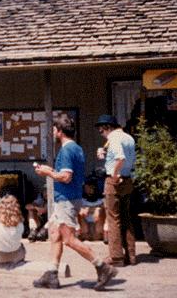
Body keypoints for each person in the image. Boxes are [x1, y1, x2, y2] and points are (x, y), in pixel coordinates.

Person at [33, 115, 117, 291]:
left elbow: (65, 176)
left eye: (54, 129)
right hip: (72, 197)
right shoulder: (77, 148)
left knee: (69, 239)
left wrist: (47, 173)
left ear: (60, 131)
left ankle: (102, 266)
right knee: (55, 234)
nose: (52, 132)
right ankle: (52, 274)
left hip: (66, 200)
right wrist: (52, 171)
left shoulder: (65, 150)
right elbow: (67, 174)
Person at [95, 114, 136, 266]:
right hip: (127, 179)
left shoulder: (114, 138)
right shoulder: (128, 138)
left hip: (115, 181)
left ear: (107, 127)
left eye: (101, 130)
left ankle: (116, 257)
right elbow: (128, 159)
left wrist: (114, 174)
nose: (102, 133)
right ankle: (131, 255)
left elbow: (120, 158)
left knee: (113, 219)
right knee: (126, 217)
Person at [78, 177, 106, 241]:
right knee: (79, 212)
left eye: (91, 187)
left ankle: (100, 234)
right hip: (85, 224)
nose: (89, 189)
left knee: (100, 211)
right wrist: (81, 210)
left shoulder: (101, 200)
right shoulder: (81, 200)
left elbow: (105, 208)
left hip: (97, 224)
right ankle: (82, 233)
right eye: (86, 187)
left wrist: (98, 209)